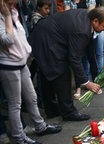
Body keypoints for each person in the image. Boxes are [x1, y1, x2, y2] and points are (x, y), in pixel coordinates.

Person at [28, 7, 104, 121]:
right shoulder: (82, 30)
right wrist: (86, 83)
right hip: (47, 40)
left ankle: (51, 109)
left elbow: (90, 49)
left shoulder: (88, 18)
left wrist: (96, 75)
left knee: (48, 73)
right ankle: (68, 112)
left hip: (47, 35)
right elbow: (75, 58)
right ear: (95, 21)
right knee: (62, 72)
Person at [0, 0, 62, 143]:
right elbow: (7, 39)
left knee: (32, 97)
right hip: (9, 65)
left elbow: (21, 36)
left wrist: (27, 52)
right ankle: (19, 137)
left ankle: (40, 126)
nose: (13, 5)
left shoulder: (14, 11)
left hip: (21, 62)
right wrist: (7, 16)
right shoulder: (6, 15)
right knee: (15, 104)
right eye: (10, 3)